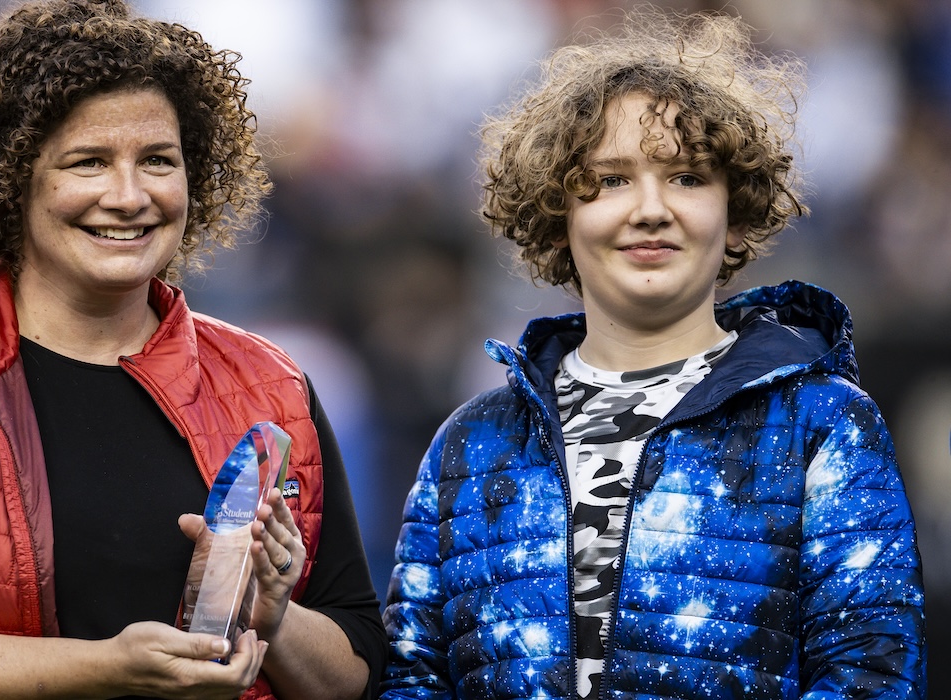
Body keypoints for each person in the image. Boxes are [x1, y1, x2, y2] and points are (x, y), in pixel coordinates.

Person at [0, 1, 386, 698]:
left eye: (158, 161)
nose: (130, 196)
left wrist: (272, 620)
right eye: (88, 162)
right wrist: (109, 668)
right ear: (10, 181)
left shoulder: (272, 386)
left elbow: (360, 671)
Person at [380, 8, 925, 700]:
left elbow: (872, 676)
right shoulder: (470, 442)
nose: (649, 208)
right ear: (559, 215)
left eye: (688, 178)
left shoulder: (823, 424)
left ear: (735, 214)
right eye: (609, 179)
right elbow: (413, 678)